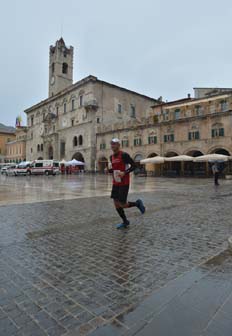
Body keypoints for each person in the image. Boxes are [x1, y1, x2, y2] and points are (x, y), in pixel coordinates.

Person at [107, 138, 146, 229]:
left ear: (119, 145)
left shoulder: (124, 155)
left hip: (124, 183)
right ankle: (125, 222)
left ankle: (137, 203)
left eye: (114, 144)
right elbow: (114, 169)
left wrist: (124, 172)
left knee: (122, 204)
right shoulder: (111, 157)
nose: (112, 146)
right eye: (111, 144)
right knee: (116, 204)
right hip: (115, 183)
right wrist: (109, 170)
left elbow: (134, 166)